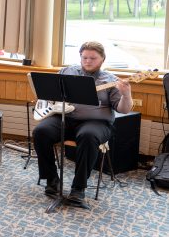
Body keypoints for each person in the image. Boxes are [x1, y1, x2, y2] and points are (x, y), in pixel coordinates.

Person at [32, 41, 133, 207]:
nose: (88, 61)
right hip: (65, 117)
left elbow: (123, 109)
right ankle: (51, 179)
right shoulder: (67, 71)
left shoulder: (111, 80)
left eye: (93, 58)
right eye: (84, 57)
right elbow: (51, 94)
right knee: (41, 131)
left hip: (96, 123)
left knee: (88, 135)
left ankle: (78, 188)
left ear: (102, 59)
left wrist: (126, 95)